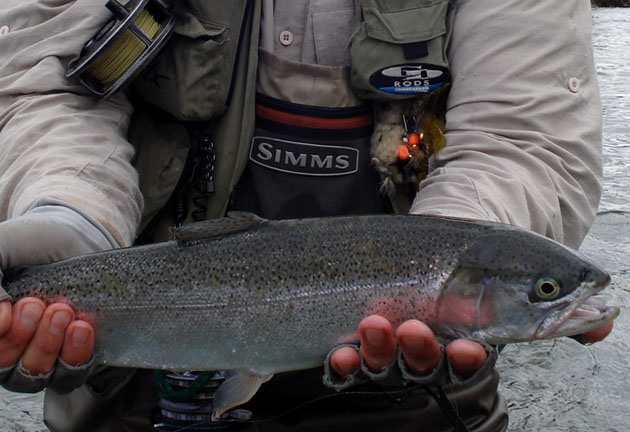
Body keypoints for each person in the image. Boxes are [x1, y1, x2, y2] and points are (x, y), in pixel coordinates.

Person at [0, 0, 613, 431]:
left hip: (419, 403)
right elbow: (45, 77)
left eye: (545, 291)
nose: (557, 297)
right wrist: (65, 210)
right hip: (125, 395)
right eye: (548, 291)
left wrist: (457, 232)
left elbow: (525, 136)